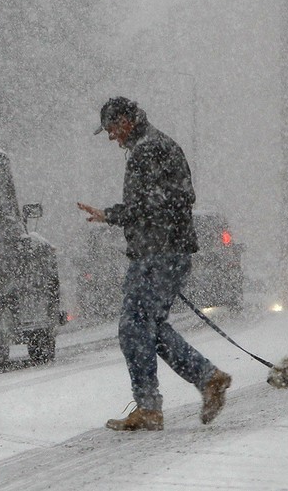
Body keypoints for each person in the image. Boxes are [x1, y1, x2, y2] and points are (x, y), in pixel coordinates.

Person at [77, 96, 231, 432]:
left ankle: (149, 407)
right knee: (150, 327)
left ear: (127, 121)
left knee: (133, 326)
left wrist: (114, 215)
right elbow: (173, 197)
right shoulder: (156, 146)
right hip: (165, 252)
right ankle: (207, 378)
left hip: (157, 254)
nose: (110, 137)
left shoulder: (149, 149)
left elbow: (163, 201)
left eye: (111, 128)